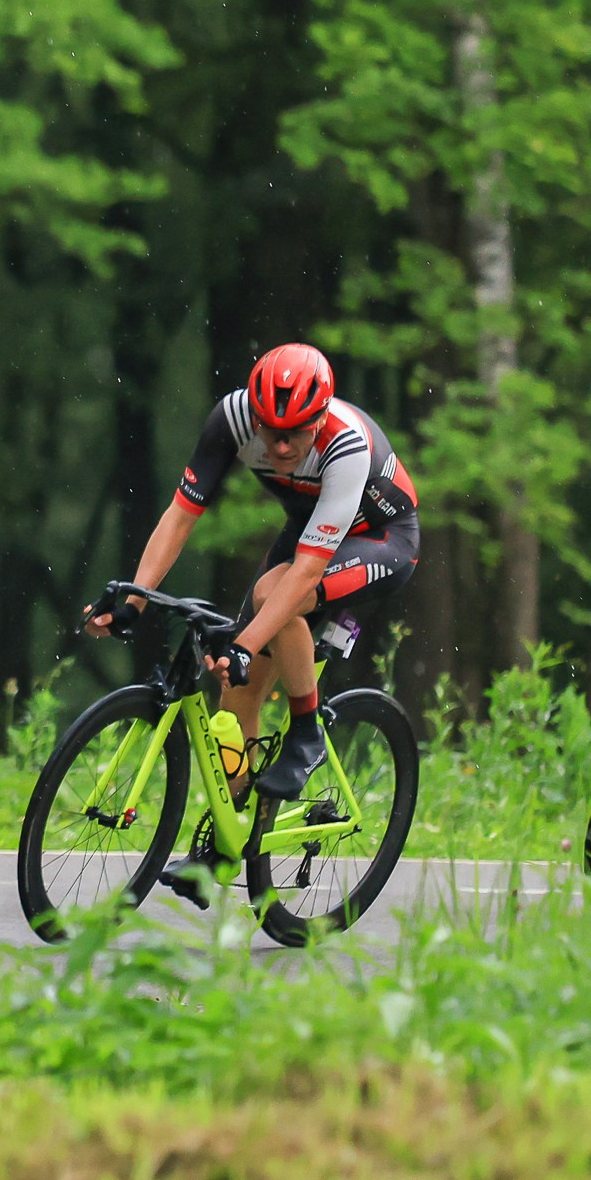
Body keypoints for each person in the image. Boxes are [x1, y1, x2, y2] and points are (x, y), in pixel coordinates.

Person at [89, 343, 419, 881]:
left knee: (271, 599)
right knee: (235, 692)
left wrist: (243, 643)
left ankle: (307, 730)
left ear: (320, 417)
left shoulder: (347, 445)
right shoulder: (232, 419)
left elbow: (306, 574)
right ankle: (224, 846)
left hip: (381, 540)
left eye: (297, 432)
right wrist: (134, 599)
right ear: (255, 415)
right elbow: (180, 516)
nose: (282, 445)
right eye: (271, 430)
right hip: (308, 529)